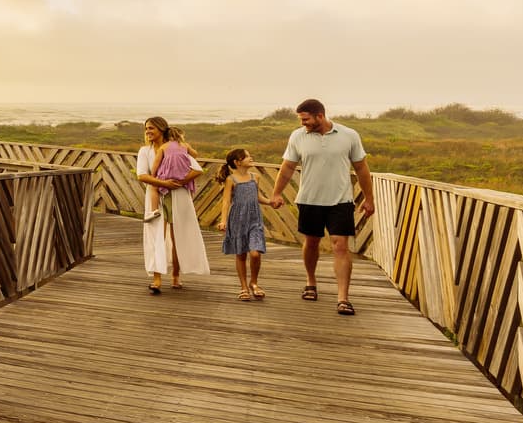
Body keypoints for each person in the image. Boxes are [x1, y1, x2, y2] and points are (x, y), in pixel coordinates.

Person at [267, 98, 374, 315]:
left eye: (306, 119)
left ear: (320, 116)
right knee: (311, 242)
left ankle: (343, 298)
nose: (302, 124)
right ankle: (311, 281)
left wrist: (369, 199)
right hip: (309, 199)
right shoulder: (297, 136)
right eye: (301, 120)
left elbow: (362, 168)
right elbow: (287, 167)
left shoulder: (349, 135)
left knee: (340, 246)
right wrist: (277, 193)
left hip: (341, 201)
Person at [135, 117, 209, 293]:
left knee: (178, 236)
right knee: (156, 236)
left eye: (151, 128)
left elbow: (197, 168)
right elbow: (142, 175)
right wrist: (164, 183)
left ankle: (176, 274)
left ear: (161, 129)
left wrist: (179, 181)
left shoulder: (176, 148)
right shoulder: (145, 151)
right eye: (146, 129)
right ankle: (157, 278)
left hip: (178, 194)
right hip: (156, 194)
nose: (148, 132)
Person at [216, 148, 267, 301]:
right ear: (237, 162)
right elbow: (226, 202)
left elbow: (258, 197)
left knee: (255, 253)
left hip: (254, 219)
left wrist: (271, 202)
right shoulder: (231, 179)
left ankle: (254, 282)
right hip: (237, 219)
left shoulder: (255, 177)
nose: (251, 158)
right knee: (241, 254)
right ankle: (244, 287)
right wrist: (223, 220)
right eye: (247, 157)